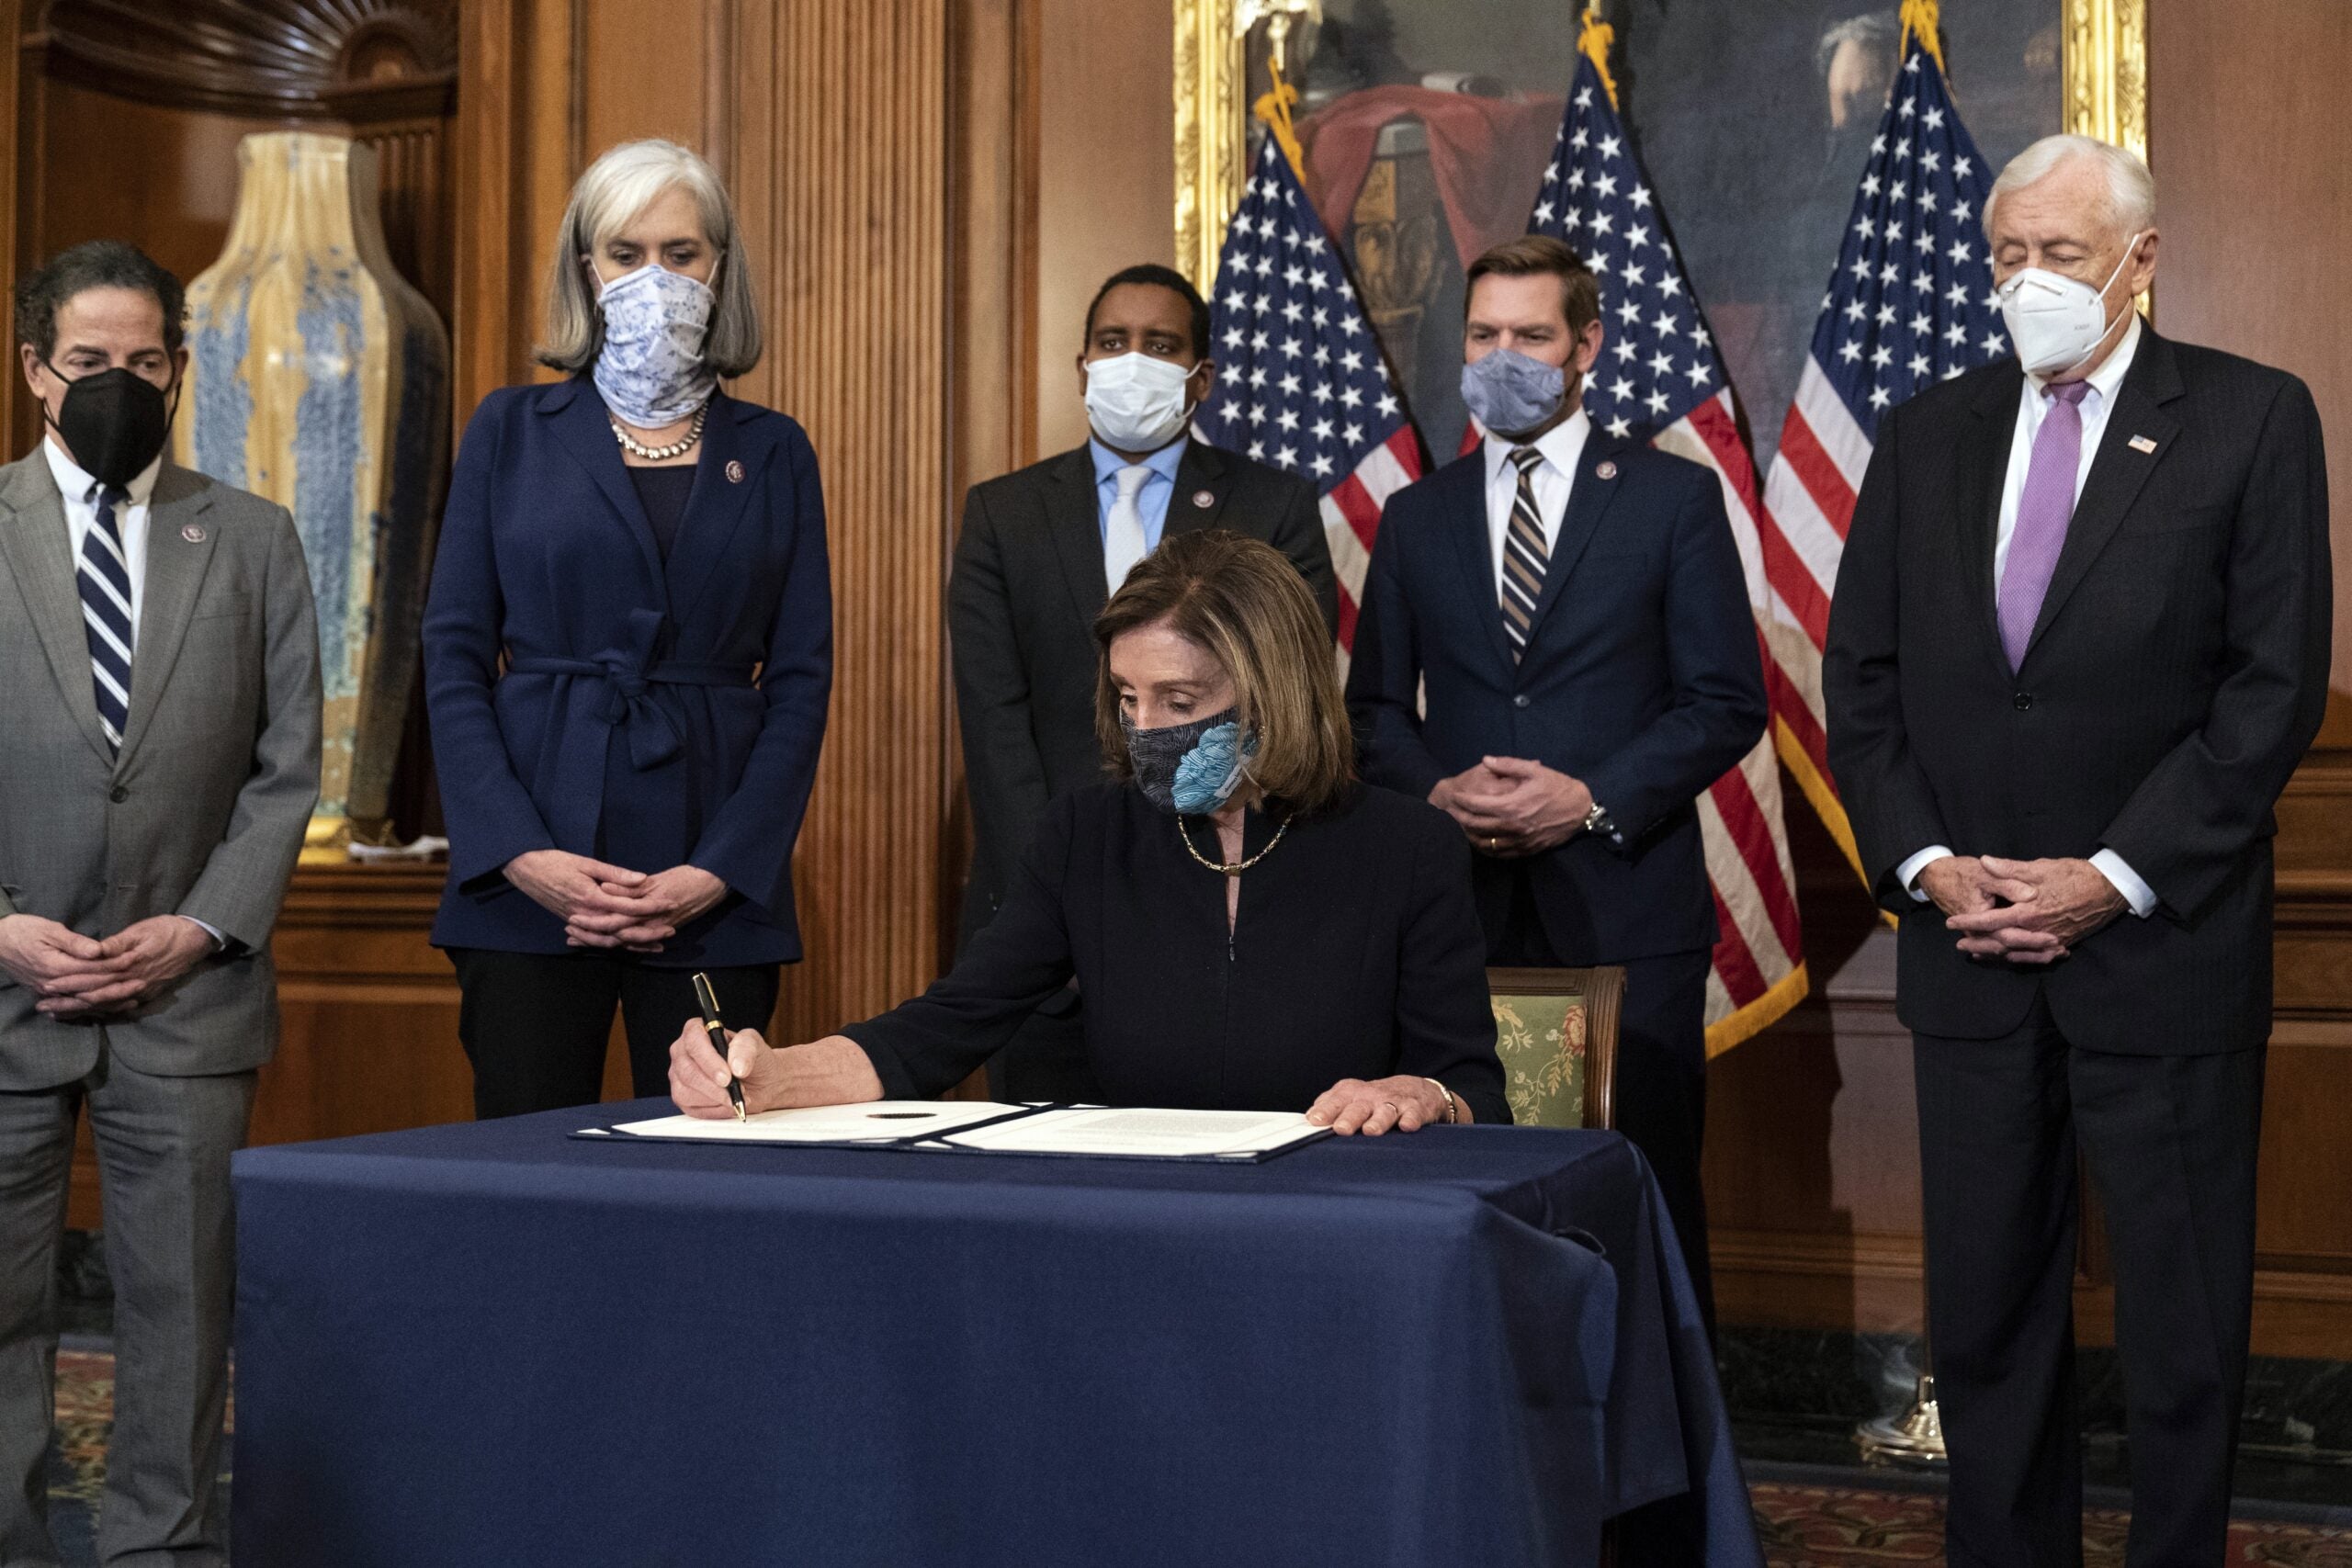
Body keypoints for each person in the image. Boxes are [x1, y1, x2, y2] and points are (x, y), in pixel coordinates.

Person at [1825, 134, 2329, 1567]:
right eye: (2007, 254)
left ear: (2140, 260)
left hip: (2160, 950)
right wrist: (1928, 861)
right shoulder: (1927, 432)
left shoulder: (2248, 417)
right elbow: (1860, 682)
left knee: (2180, 1331)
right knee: (1986, 1321)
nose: (2028, 281)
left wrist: (2111, 875)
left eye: (2060, 251)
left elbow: (2268, 689)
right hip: (1969, 947)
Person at [673, 530, 1505, 1133]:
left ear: (1272, 693)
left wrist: (1424, 1095)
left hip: (1337, 1219)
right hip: (1135, 1217)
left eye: (1179, 703)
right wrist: (775, 1074)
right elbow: (950, 1023)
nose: (1146, 728)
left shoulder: (1406, 846)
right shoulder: (1088, 832)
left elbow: (1472, 1085)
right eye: (1127, 698)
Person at [1346, 235, 1766, 1322]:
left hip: (1626, 913)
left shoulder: (1671, 499)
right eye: (1482, 334)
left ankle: (1668, 1474)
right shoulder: (1416, 515)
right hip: (1458, 915)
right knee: (1470, 1193)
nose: (1502, 356)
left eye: (1530, 335)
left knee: (1645, 1194)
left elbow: (1725, 702)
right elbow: (1373, 714)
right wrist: (1439, 792)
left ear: (1585, 345)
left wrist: (1585, 796)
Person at [0, 242, 322, 1567]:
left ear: (180, 371)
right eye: (89, 362)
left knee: (182, 1310)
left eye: (144, 362)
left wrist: (200, 924)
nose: (117, 385)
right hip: (7, 984)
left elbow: (288, 763)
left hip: (188, 990)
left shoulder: (250, 536)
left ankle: (161, 1551)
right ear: (34, 372)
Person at [424, 139, 831, 1118]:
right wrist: (520, 853)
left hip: (710, 883)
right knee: (524, 1166)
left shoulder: (773, 451)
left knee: (714, 1169)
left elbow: (802, 679)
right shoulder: (509, 429)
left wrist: (719, 869)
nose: (655, 277)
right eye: (625, 251)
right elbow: (452, 653)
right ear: (585, 267)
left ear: (720, 266)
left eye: (682, 253)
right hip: (529, 873)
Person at [950, 263, 1338, 1103]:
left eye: (1160, 345)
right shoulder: (1001, 513)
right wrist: (1065, 907)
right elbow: (994, 723)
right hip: (1037, 918)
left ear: (1200, 376)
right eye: (1113, 341)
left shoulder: (1274, 505)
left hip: (1226, 907)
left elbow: (1288, 707)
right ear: (1081, 363)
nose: (1133, 359)